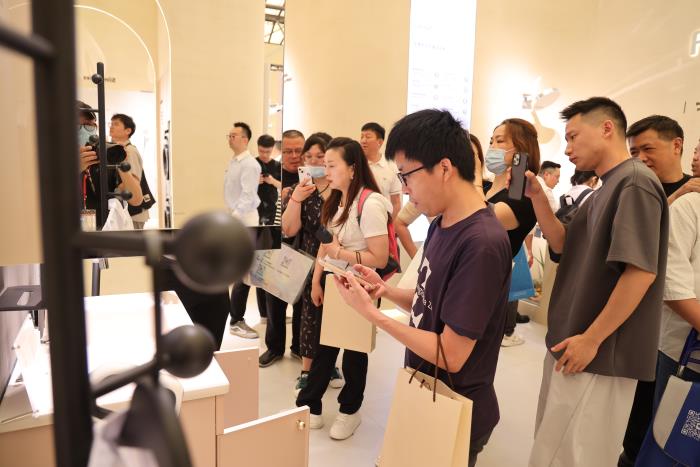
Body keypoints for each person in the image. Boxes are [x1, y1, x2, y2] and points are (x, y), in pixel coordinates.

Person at [333, 109, 511, 466]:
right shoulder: (441, 223)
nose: (404, 188)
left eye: (406, 175)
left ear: (444, 168)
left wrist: (373, 316)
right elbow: (429, 300)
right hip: (424, 387)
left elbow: (452, 353)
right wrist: (383, 292)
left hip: (454, 403)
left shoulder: (481, 243)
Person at [525, 97, 668, 467]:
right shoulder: (604, 188)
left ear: (606, 128)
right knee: (553, 449)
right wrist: (538, 197)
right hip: (575, 341)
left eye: (573, 137)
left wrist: (592, 338)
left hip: (599, 352)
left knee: (573, 456)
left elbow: (641, 272)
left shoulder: (635, 183)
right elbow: (562, 243)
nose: (567, 149)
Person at [295, 137, 392, 440]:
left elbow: (379, 257)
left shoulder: (371, 203)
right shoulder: (335, 200)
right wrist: (316, 280)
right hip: (333, 281)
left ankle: (349, 409)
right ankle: (310, 403)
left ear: (352, 168)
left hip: (360, 285)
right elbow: (325, 245)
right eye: (325, 165)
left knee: (354, 350)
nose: (326, 171)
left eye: (331, 165)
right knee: (324, 346)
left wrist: (340, 253)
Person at [618, 114, 692, 466]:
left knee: (671, 423)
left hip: (674, 335)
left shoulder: (695, 192)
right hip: (638, 326)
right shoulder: (634, 190)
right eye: (634, 151)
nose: (641, 158)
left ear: (676, 145)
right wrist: (675, 198)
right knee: (637, 422)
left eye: (648, 148)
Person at [281, 136, 344, 395]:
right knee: (310, 315)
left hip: (339, 259)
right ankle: (307, 371)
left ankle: (329, 366)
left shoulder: (340, 189)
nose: (314, 161)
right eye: (309, 156)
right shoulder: (298, 189)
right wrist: (296, 198)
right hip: (309, 259)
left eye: (321, 157)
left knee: (334, 315)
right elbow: (289, 229)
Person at [484, 118, 541, 346]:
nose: (492, 148)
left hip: (486, 288)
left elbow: (479, 219)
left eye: (500, 141)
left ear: (520, 149)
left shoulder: (522, 196)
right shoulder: (484, 188)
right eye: (491, 141)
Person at [395, 132, 487, 259]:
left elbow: (482, 218)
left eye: (471, 156)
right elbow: (400, 222)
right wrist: (418, 259)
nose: (405, 190)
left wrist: (477, 181)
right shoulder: (433, 209)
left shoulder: (483, 232)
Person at [258, 129, 305, 367]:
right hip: (276, 241)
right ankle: (274, 348)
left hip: (305, 244)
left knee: (302, 302)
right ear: (281, 151)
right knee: (274, 299)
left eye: (299, 150)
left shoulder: (312, 174)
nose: (294, 156)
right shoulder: (272, 173)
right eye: (288, 151)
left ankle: (299, 347)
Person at [225, 121, 262, 339]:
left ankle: (236, 320)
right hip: (238, 221)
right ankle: (236, 319)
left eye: (234, 135)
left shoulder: (250, 165)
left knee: (244, 272)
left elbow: (248, 197)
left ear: (245, 139)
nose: (230, 138)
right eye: (229, 135)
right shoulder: (235, 162)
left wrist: (233, 220)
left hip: (245, 222)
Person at [109, 114, 147, 228]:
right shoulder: (115, 151)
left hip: (132, 213)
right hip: (124, 211)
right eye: (111, 124)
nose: (111, 126)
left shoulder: (129, 151)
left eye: (116, 124)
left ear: (128, 130)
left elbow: (133, 183)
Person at [360, 122, 402, 220]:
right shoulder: (356, 164)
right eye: (361, 137)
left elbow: (396, 202)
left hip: (383, 219)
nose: (363, 141)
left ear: (380, 142)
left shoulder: (391, 166)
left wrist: (390, 224)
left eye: (368, 137)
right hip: (358, 220)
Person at [256, 134, 282, 226]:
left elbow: (282, 186)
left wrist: (273, 181)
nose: (264, 154)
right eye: (261, 151)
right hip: (254, 206)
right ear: (257, 147)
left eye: (268, 152)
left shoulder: (277, 165)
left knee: (270, 232)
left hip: (271, 205)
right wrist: (254, 182)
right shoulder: (252, 163)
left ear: (272, 148)